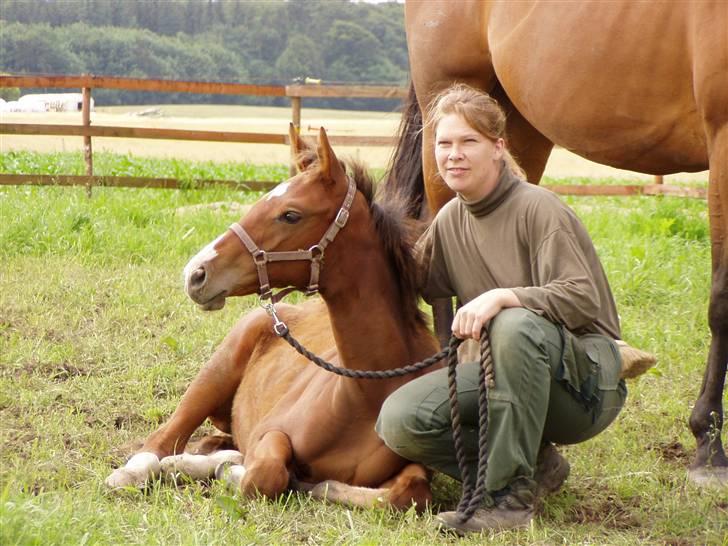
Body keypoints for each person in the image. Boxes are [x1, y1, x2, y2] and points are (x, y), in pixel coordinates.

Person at [375, 83, 627, 533]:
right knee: (401, 421)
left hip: (584, 384)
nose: (453, 154)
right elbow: (404, 281)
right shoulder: (451, 218)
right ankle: (536, 464)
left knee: (511, 324)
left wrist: (505, 295)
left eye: (468, 141)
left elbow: (582, 297)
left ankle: (507, 501)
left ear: (498, 148)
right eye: (444, 143)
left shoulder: (538, 208)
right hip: (502, 378)